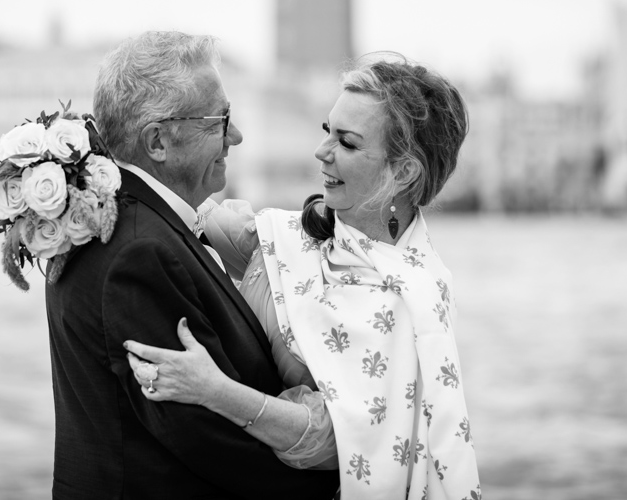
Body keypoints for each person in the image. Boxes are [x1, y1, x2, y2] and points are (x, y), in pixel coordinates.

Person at [124, 54, 482, 500]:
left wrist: (213, 390)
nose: (322, 152)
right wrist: (71, 167)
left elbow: (333, 443)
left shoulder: (411, 302)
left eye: (347, 143)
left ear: (404, 171)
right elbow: (173, 207)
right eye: (326, 132)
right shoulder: (284, 237)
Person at [44, 31, 340, 499]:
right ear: (159, 140)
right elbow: (204, 437)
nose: (236, 137)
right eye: (220, 121)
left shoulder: (121, 222)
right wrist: (351, 473)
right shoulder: (138, 252)